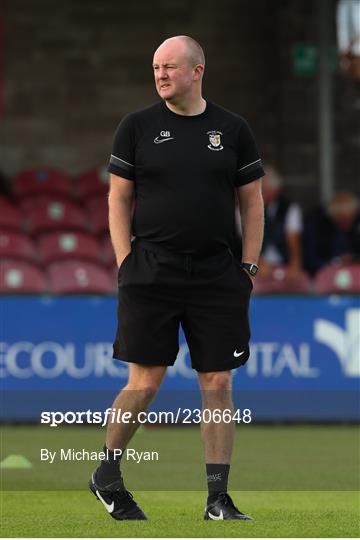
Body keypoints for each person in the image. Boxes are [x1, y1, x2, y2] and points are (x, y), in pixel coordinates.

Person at [89, 35, 264, 521]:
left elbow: (252, 202)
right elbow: (118, 199)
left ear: (197, 71)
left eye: (169, 66)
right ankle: (106, 472)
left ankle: (217, 498)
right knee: (145, 382)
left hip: (218, 274)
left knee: (217, 381)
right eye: (156, 67)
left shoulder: (233, 129)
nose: (161, 74)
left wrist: (248, 266)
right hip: (152, 271)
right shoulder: (137, 127)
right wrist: (126, 261)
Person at [259, 166, 303, 279]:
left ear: (275, 191)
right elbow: (244, 241)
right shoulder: (245, 208)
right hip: (255, 264)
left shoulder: (290, 208)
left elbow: (293, 240)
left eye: (263, 190)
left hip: (284, 263)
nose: (259, 193)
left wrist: (295, 265)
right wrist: (258, 263)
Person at [303, 191, 360, 276]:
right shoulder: (317, 226)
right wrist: (336, 262)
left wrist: (354, 259)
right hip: (325, 275)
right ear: (333, 216)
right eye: (342, 219)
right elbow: (310, 260)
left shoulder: (356, 227)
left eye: (349, 218)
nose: (346, 222)